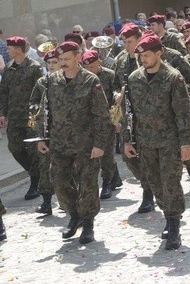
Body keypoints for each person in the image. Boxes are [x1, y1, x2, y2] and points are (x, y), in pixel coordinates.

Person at [123, 32, 190, 251]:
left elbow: (182, 113)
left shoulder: (173, 77)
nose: (143, 59)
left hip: (170, 141)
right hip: (146, 142)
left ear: (159, 53)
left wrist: (186, 143)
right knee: (154, 183)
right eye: (140, 55)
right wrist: (127, 140)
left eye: (147, 55)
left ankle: (173, 224)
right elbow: (128, 112)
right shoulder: (134, 78)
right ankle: (168, 214)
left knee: (170, 182)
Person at [37, 41, 111, 244]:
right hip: (59, 143)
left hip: (85, 145)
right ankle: (74, 215)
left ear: (78, 57)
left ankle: (88, 224)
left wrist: (100, 144)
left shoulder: (90, 81)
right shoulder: (52, 81)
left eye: (66, 59)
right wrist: (42, 137)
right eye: (60, 59)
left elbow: (101, 115)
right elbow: (45, 111)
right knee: (59, 181)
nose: (62, 63)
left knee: (87, 185)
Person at [114, 24, 155, 213]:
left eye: (129, 41)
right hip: (127, 114)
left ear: (139, 39)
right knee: (128, 155)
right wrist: (117, 95)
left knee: (147, 154)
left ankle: (149, 192)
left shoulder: (148, 58)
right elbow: (115, 84)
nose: (126, 45)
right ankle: (148, 184)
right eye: (123, 41)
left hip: (148, 113)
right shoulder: (121, 59)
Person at [0, 36, 43, 201]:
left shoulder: (34, 67)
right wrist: (2, 113)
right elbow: (4, 93)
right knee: (15, 148)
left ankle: (35, 182)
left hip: (31, 116)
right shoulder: (9, 68)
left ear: (18, 49)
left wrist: (39, 114)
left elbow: (41, 91)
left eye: (9, 48)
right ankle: (36, 174)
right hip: (15, 117)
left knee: (33, 150)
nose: (7, 51)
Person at [81, 49, 122, 200]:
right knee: (95, 154)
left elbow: (116, 98)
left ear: (98, 62)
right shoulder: (83, 78)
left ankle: (106, 183)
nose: (89, 69)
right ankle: (115, 177)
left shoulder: (109, 76)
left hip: (107, 120)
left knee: (106, 153)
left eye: (92, 66)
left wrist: (117, 120)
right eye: (87, 67)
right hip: (89, 122)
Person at [28, 47, 60, 215]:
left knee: (65, 167)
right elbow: (33, 102)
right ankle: (47, 202)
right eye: (49, 63)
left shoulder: (66, 80)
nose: (52, 66)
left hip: (65, 132)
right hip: (45, 130)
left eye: (55, 62)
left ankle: (68, 199)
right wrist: (36, 111)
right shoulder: (42, 82)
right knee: (44, 165)